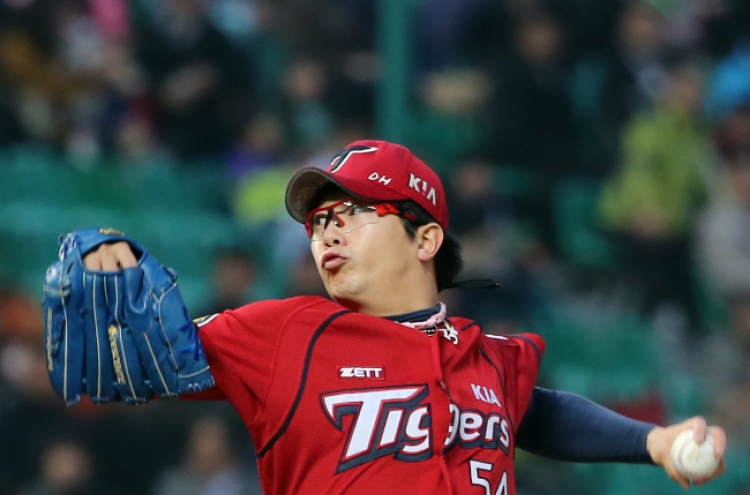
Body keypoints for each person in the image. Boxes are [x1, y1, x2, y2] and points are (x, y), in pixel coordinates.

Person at [76, 140, 725, 494]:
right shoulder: (282, 334)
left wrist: (654, 441)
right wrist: (109, 298)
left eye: (351, 213)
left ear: (425, 240)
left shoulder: (487, 357)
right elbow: (139, 365)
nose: (325, 233)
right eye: (317, 222)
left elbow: (539, 410)